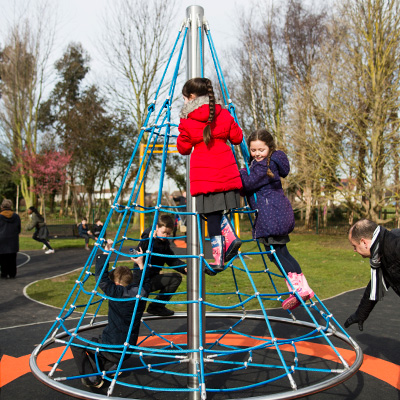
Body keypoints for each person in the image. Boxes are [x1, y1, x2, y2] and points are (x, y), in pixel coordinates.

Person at [239, 128, 314, 310]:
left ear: (269, 148)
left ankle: (296, 288)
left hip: (270, 216)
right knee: (283, 253)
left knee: (276, 255)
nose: (257, 154)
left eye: (261, 150)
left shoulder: (263, 165)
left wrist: (241, 172)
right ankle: (303, 287)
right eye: (253, 150)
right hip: (278, 213)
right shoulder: (271, 162)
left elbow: (247, 184)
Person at [177, 77, 242, 274]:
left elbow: (183, 148)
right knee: (217, 213)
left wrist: (183, 129)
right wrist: (231, 118)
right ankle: (229, 237)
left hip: (205, 176)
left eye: (185, 99)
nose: (185, 103)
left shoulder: (188, 119)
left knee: (210, 216)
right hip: (227, 172)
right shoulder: (222, 113)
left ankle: (218, 258)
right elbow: (237, 138)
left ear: (191, 96)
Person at [71, 239, 150, 388]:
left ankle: (92, 378)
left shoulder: (116, 293)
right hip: (128, 349)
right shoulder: (141, 293)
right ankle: (109, 367)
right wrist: (140, 264)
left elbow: (101, 279)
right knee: (100, 339)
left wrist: (106, 253)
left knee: (75, 341)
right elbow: (144, 282)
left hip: (112, 347)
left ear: (116, 283)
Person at [344, 219, 400, 331]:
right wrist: (360, 314)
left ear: (364, 242)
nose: (354, 250)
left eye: (354, 246)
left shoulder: (395, 246)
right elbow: (376, 283)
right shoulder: (382, 249)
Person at [133, 214, 187, 316]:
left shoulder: (164, 243)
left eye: (168, 233)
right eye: (163, 232)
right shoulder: (146, 239)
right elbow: (134, 253)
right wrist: (148, 240)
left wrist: (184, 268)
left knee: (175, 278)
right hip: (141, 281)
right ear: (157, 228)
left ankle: (157, 306)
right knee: (136, 311)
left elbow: (171, 259)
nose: (165, 236)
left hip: (152, 279)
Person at [0, 199, 21, 279]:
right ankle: (12, 273)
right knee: (12, 258)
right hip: (13, 239)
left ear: (2, 206)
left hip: (1, 239)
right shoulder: (16, 216)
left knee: (3, 258)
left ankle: (4, 273)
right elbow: (18, 228)